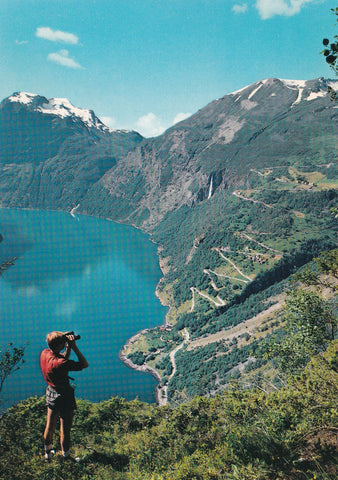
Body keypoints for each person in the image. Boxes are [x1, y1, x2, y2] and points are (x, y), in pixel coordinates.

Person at [40, 331, 89, 461]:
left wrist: (66, 347)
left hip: (51, 392)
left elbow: (60, 360)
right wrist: (74, 347)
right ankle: (66, 457)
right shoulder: (60, 363)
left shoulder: (44, 353)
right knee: (65, 429)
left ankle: (47, 453)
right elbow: (84, 364)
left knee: (49, 425)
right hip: (64, 395)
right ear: (60, 345)